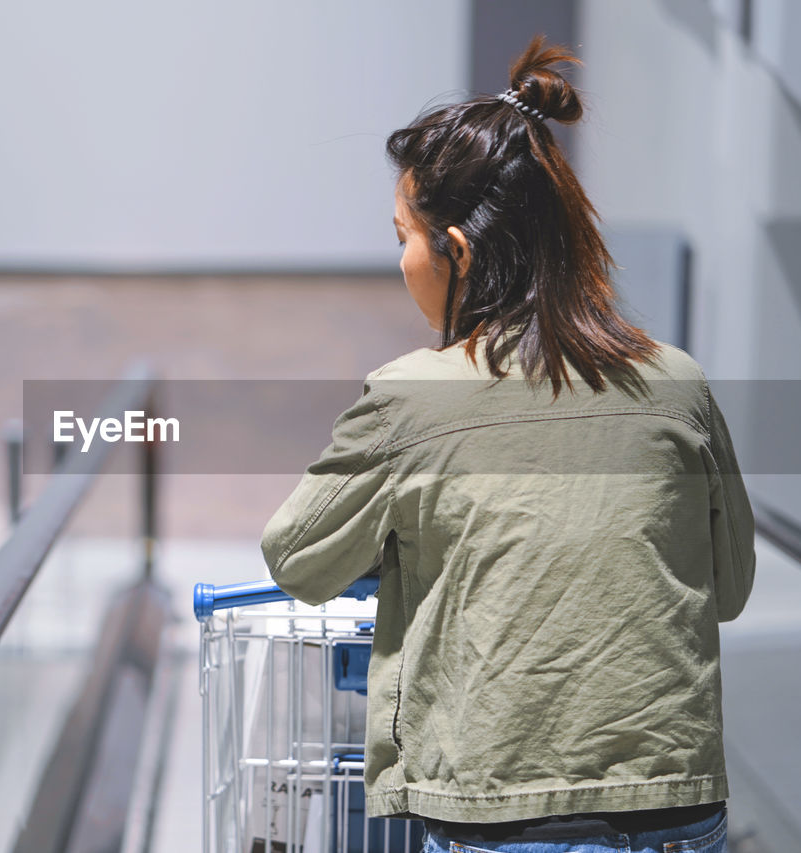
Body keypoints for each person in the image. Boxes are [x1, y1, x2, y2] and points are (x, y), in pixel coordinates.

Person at [260, 34, 755, 853]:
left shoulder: (412, 395)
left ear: (456, 250)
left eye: (402, 239)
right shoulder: (679, 382)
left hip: (497, 812)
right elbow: (726, 586)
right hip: (678, 812)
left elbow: (297, 555)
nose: (402, 263)